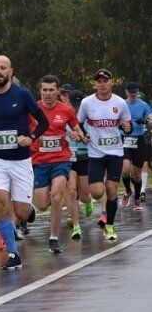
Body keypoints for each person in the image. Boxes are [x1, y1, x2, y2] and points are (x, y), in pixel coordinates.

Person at [0, 55, 49, 270]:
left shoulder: (22, 95)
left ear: (10, 72)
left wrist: (31, 138)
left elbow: (43, 121)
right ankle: (13, 253)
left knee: (22, 212)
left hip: (21, 160)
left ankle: (29, 208)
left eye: (3, 68)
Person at [30, 75, 84, 253]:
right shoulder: (33, 109)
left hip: (61, 159)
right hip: (39, 161)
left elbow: (77, 130)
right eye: (44, 90)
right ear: (40, 91)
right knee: (43, 204)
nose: (48, 94)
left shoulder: (66, 111)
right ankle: (28, 208)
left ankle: (53, 238)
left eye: (51, 90)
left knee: (56, 197)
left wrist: (78, 135)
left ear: (57, 92)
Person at [76, 68, 132, 241]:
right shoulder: (87, 103)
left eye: (105, 81)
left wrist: (127, 128)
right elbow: (77, 123)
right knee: (97, 192)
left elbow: (127, 125)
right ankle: (100, 207)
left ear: (111, 82)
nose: (102, 84)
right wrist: (81, 135)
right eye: (99, 81)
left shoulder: (120, 103)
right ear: (96, 84)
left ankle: (110, 225)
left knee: (112, 188)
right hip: (96, 154)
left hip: (115, 152)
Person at [64, 90, 93, 239]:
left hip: (84, 156)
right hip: (68, 157)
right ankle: (76, 225)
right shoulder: (64, 115)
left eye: (78, 105)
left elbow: (91, 138)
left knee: (85, 195)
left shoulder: (88, 117)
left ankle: (88, 202)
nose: (75, 109)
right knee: (71, 190)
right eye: (73, 105)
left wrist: (81, 136)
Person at [119, 82, 152, 210]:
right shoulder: (122, 104)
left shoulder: (143, 105)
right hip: (125, 139)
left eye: (135, 92)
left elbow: (151, 120)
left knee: (137, 174)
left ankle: (137, 198)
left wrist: (146, 122)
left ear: (138, 92)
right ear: (126, 92)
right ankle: (128, 191)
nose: (133, 95)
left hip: (138, 140)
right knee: (125, 169)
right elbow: (115, 119)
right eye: (130, 92)